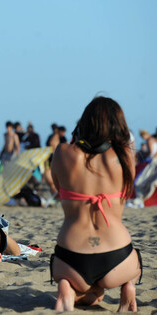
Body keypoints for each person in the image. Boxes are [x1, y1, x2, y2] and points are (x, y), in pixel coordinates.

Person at [50, 96, 141, 312]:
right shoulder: (125, 156)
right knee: (135, 265)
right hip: (117, 256)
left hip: (70, 257)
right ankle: (127, 286)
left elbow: (58, 186)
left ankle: (68, 287)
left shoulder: (62, 153)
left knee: (71, 278)